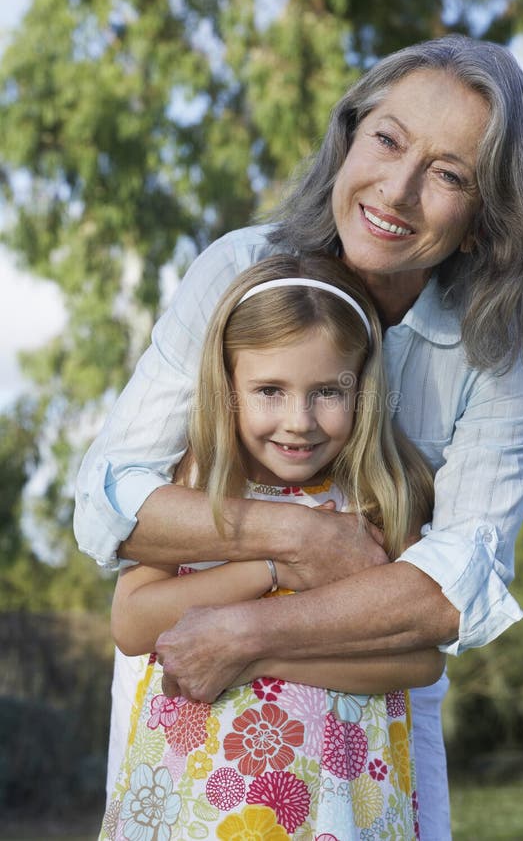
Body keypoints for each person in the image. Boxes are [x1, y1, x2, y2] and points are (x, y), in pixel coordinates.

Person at [75, 33, 523, 841]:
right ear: (349, 137)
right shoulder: (242, 270)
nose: (397, 190)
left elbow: (448, 592)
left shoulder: (504, 342)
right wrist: (294, 540)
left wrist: (250, 636)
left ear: (484, 220)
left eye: (448, 175)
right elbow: (108, 501)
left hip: (359, 732)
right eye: (387, 139)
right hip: (191, 712)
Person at [99, 253, 443, 840]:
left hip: (343, 792)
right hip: (203, 796)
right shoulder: (198, 480)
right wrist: (270, 564)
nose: (298, 421)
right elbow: (132, 622)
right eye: (269, 390)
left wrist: (255, 656)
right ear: (228, 387)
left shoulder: (381, 491)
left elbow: (420, 658)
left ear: (363, 387)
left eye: (328, 392)